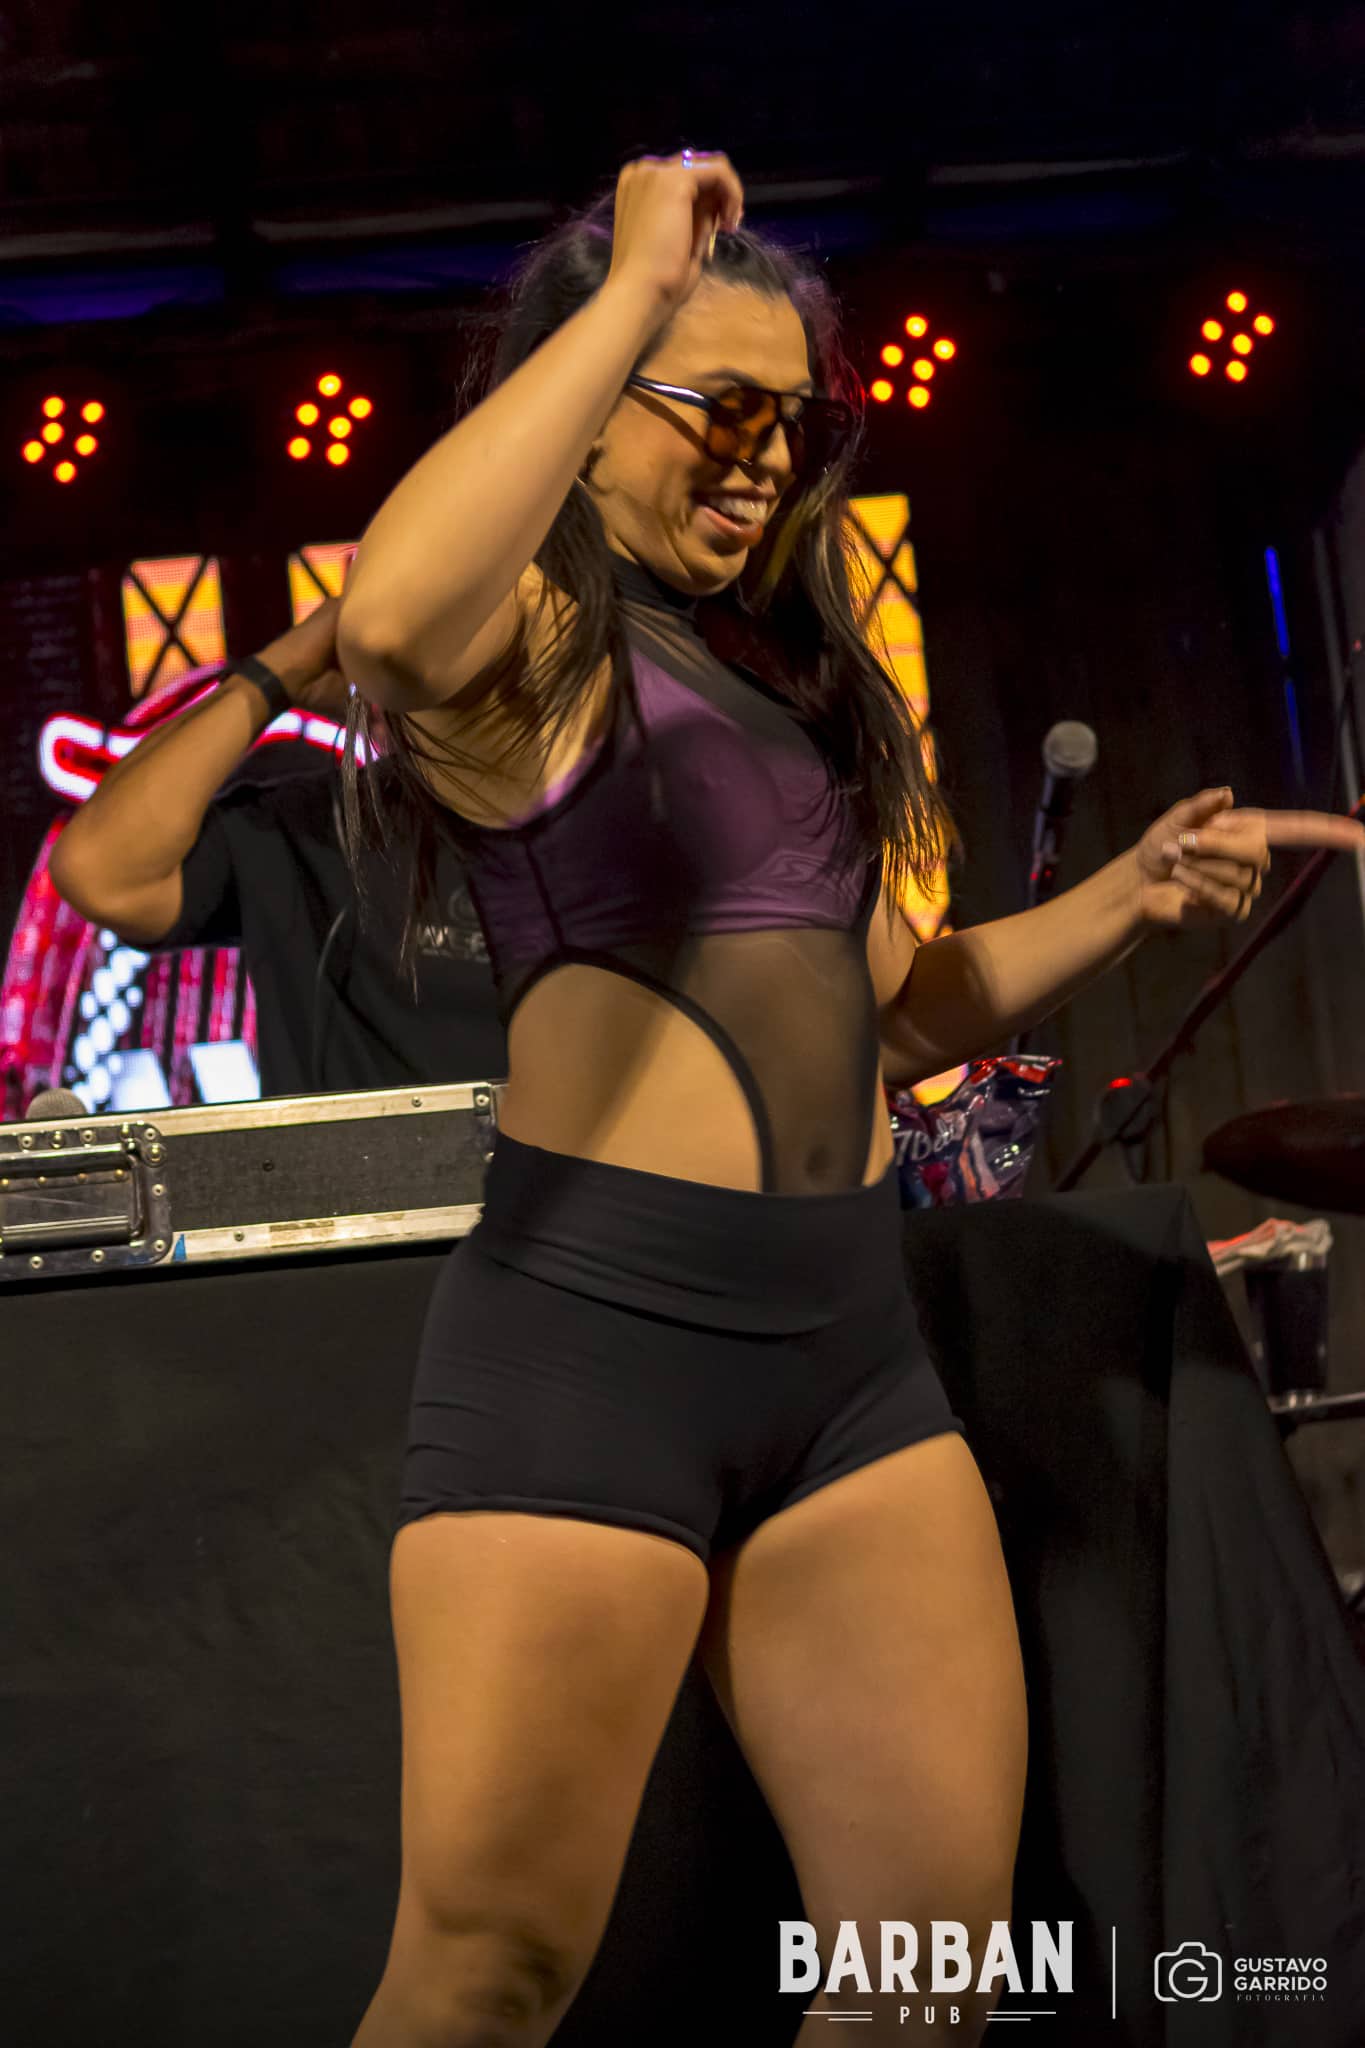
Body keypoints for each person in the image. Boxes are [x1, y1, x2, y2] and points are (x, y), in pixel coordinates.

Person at [334, 151, 1365, 2048]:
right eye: (715, 407)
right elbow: (387, 622)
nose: (762, 458)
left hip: (848, 1365)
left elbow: (900, 1017)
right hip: (599, 1343)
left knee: (918, 1968)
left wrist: (1128, 895)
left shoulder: (782, 694)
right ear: (590, 400)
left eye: (793, 421)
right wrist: (632, 288)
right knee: (487, 1975)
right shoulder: (537, 655)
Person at [48, 598, 507, 1097]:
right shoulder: (314, 828)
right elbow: (99, 872)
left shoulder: (576, 832)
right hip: (356, 1151)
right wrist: (277, 676)